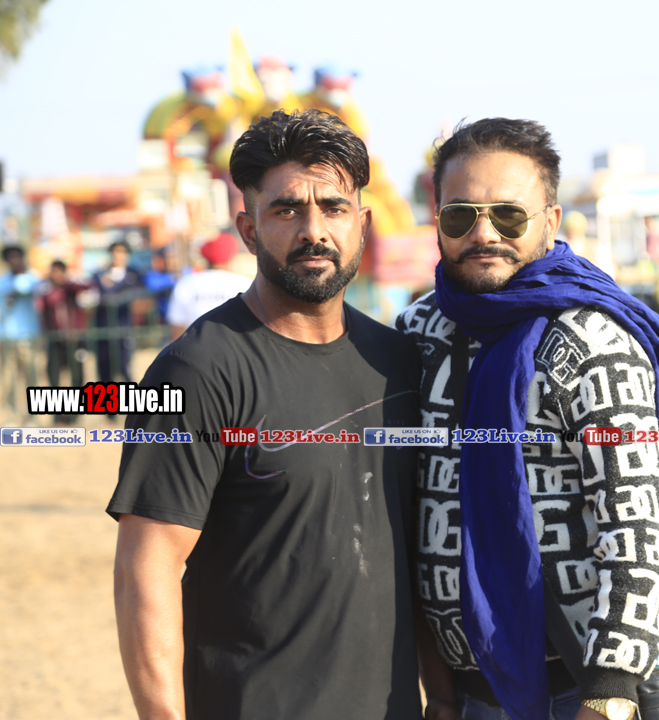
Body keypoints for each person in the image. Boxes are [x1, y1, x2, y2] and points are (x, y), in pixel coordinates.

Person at [108, 109, 423, 719]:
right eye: (287, 210)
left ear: (361, 224)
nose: (314, 230)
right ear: (249, 230)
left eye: (333, 208)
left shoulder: (399, 362)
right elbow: (145, 569)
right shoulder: (196, 372)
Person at [395, 118, 659, 720]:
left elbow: (637, 524)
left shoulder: (592, 341)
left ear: (550, 222)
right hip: (467, 691)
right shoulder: (417, 333)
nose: (483, 233)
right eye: (460, 215)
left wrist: (608, 690)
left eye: (508, 215)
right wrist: (440, 691)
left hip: (579, 687)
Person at [166, 231, 252, 340]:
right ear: (232, 256)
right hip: (235, 347)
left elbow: (177, 330)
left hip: (194, 347)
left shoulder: (186, 283)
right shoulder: (244, 284)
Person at [37, 260, 92, 423]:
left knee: (77, 376)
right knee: (53, 376)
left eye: (58, 271)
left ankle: (74, 413)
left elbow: (86, 287)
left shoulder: (70, 289)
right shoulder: (46, 290)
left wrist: (66, 282)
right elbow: (42, 308)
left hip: (74, 340)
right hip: (55, 340)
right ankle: (57, 414)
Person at [92, 240, 142, 383]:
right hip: (104, 326)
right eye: (116, 251)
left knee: (125, 366)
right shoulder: (100, 274)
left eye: (122, 252)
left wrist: (115, 285)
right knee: (105, 367)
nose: (118, 255)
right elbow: (100, 295)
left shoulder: (134, 274)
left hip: (124, 326)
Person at [0, 245, 40, 423]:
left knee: (31, 378)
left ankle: (33, 418)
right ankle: (11, 417)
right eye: (11, 257)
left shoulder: (32, 277)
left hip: (28, 336)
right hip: (7, 337)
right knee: (8, 379)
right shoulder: (3, 281)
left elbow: (25, 288)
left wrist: (20, 278)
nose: (15, 260)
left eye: (18, 257)